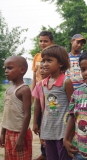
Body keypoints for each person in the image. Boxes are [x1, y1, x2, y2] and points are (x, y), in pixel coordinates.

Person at [40, 45, 74, 160]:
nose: (45, 64)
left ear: (61, 63)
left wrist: (70, 135)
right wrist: (42, 130)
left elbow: (73, 108)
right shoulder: (44, 83)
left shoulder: (66, 82)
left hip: (63, 132)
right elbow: (45, 108)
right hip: (49, 131)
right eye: (43, 60)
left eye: (49, 60)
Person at [0, 56, 32, 159]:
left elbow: (27, 114)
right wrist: (2, 133)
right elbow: (6, 115)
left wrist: (21, 137)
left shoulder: (24, 90)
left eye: (10, 68)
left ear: (22, 70)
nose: (6, 71)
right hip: (8, 132)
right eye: (5, 68)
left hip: (20, 133)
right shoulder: (9, 90)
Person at [31, 30, 53, 160]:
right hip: (39, 92)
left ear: (51, 42)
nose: (42, 43)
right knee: (39, 122)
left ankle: (49, 152)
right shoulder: (37, 57)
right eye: (40, 41)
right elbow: (34, 77)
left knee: (50, 118)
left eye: (45, 41)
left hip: (50, 91)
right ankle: (44, 151)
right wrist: (32, 93)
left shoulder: (55, 57)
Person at [32, 61, 49, 150]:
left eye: (45, 69)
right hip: (43, 115)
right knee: (42, 136)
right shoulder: (39, 85)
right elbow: (37, 104)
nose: (41, 71)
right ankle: (44, 154)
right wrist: (35, 122)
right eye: (40, 68)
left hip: (53, 117)